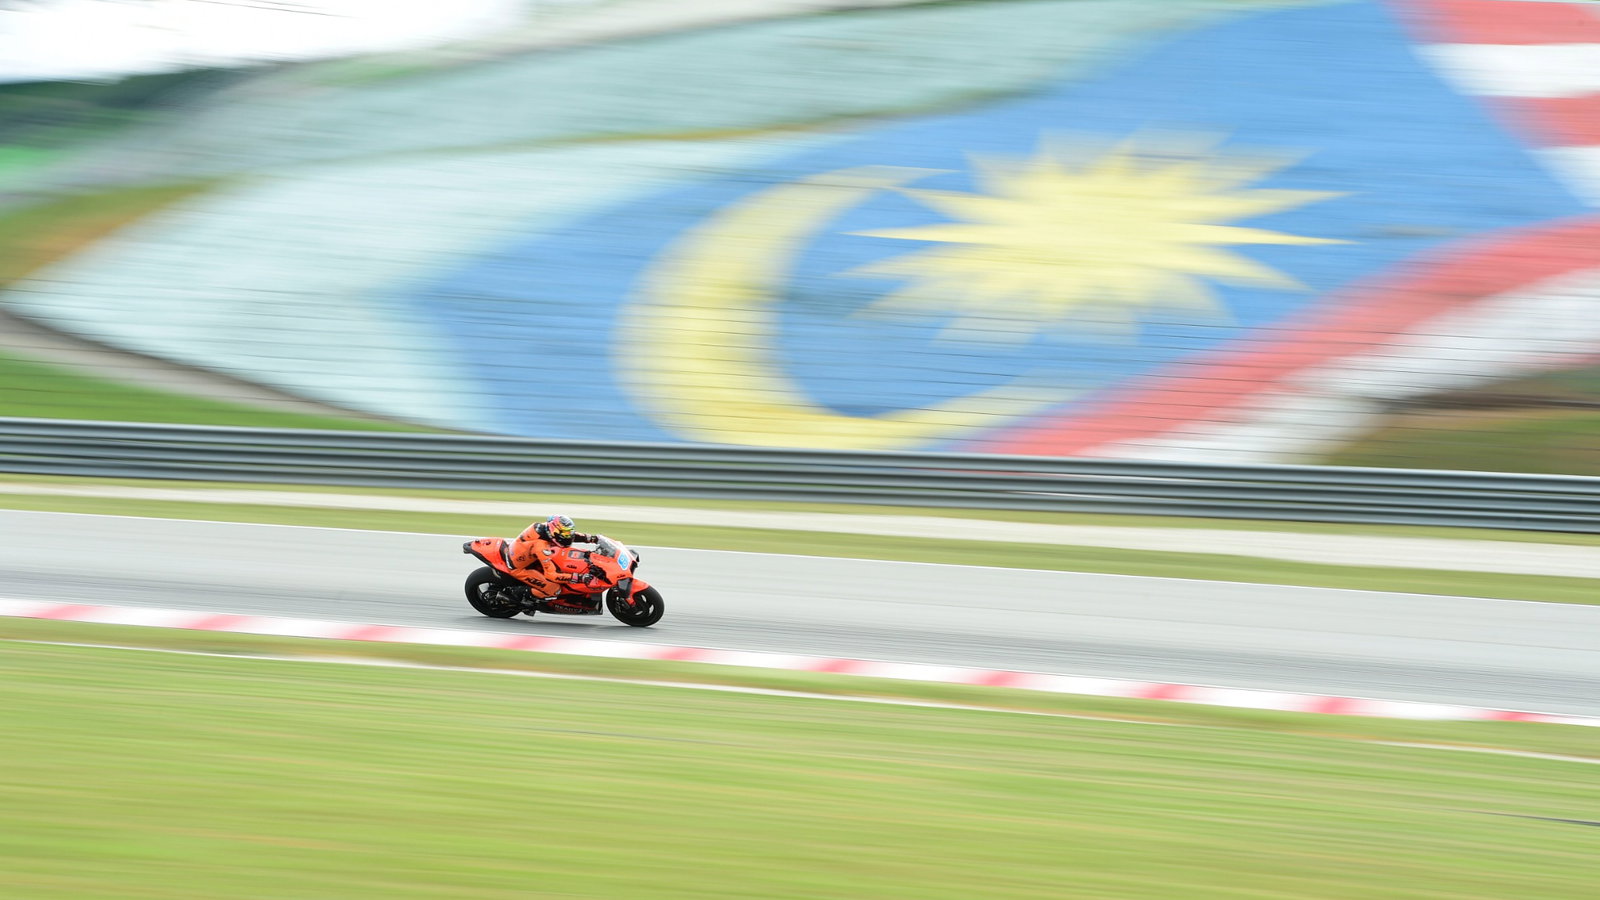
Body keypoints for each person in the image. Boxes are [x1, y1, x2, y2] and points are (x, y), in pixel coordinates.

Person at [509, 514, 600, 592]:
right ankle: (519, 596)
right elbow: (551, 575)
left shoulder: (547, 528)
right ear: (554, 531)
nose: (568, 536)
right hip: (520, 568)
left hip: (528, 556)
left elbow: (569, 536)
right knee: (554, 590)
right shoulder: (541, 547)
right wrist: (580, 577)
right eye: (565, 533)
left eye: (568, 532)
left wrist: (592, 538)